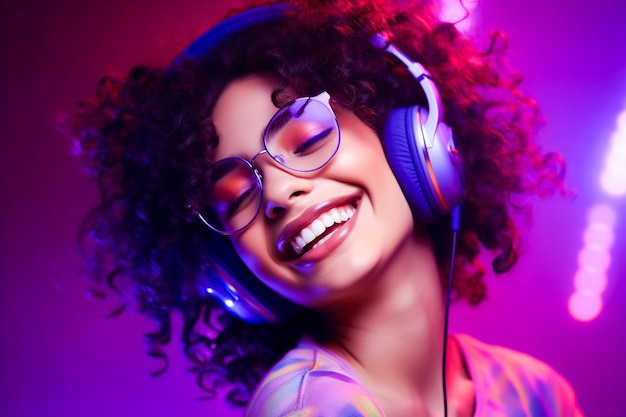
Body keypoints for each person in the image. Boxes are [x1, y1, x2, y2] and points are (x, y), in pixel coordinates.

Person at [67, 0, 584, 415]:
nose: (277, 193)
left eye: (309, 137)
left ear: (413, 140)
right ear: (235, 277)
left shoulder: (540, 394)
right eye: (235, 198)